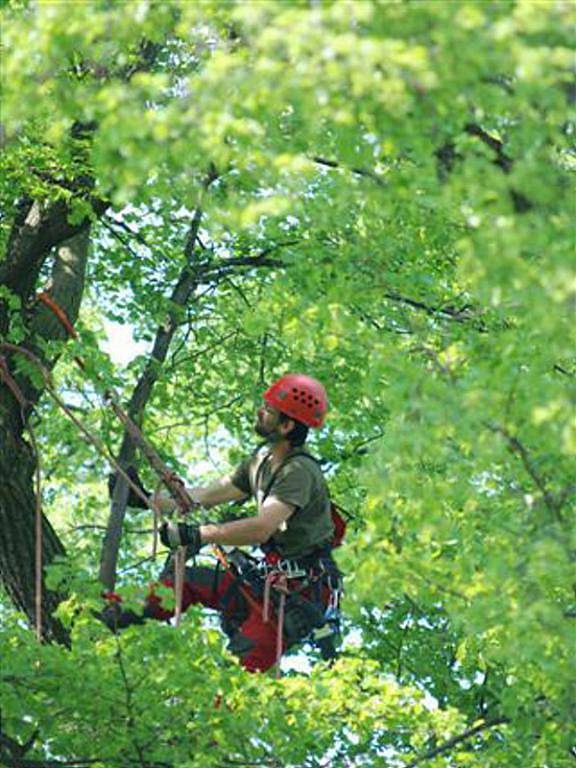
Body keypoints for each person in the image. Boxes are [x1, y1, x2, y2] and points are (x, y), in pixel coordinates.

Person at [105, 374, 343, 673]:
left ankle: (203, 712)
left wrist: (197, 535)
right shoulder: (261, 461)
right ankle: (112, 611)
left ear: (286, 426)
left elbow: (262, 527)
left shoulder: (298, 471)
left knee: (231, 675)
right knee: (185, 582)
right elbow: (207, 495)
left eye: (268, 411)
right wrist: (146, 500)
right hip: (262, 583)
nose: (260, 412)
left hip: (291, 601)